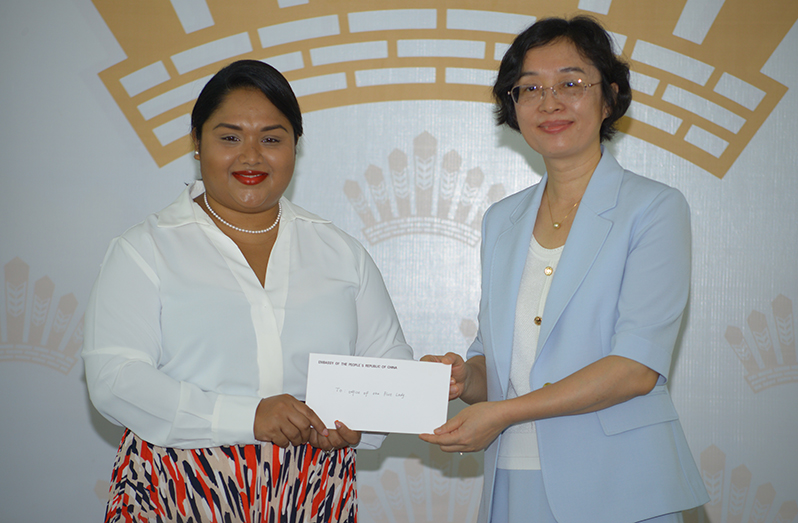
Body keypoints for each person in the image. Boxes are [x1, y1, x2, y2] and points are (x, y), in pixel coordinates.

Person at [82, 59, 413, 522]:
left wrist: (358, 421)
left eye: (272, 139)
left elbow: (389, 363)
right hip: (179, 489)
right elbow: (114, 379)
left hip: (313, 491)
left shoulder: (340, 252)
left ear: (296, 146)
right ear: (197, 142)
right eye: (230, 137)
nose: (252, 156)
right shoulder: (145, 249)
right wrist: (248, 417)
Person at [420, 16, 709, 523]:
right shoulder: (501, 220)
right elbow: (496, 363)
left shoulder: (654, 208)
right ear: (512, 106)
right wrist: (467, 379)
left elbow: (635, 368)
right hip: (512, 479)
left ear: (610, 96)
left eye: (571, 83)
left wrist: (502, 413)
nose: (549, 102)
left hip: (624, 485)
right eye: (529, 88)